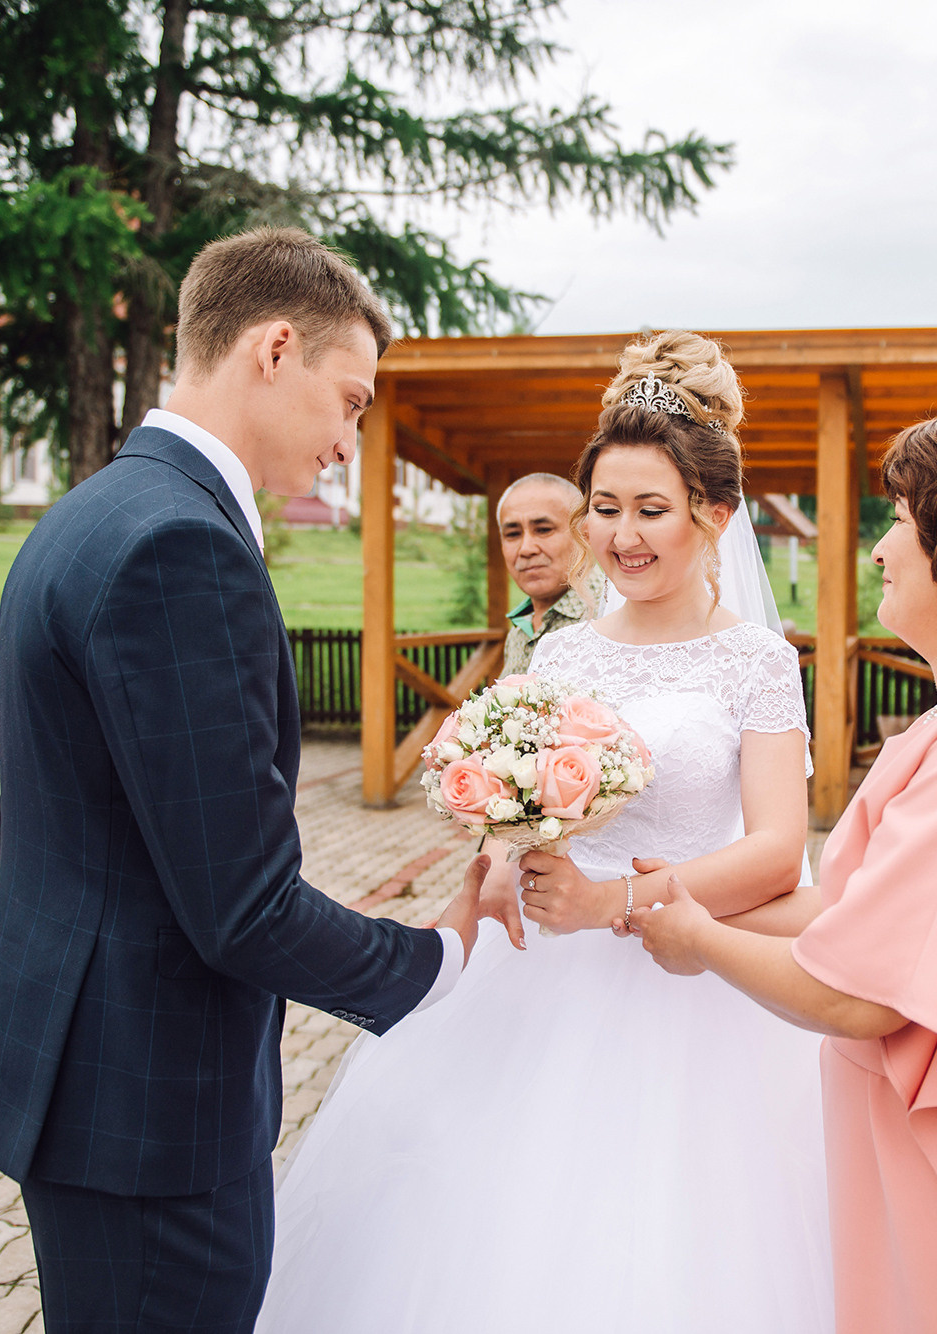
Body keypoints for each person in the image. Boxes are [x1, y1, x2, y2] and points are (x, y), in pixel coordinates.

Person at [0, 228, 489, 1334]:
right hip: (151, 1106)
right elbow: (244, 906)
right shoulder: (177, 545)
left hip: (81, 1067)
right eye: (350, 401)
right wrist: (434, 960)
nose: (349, 441)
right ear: (274, 349)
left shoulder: (97, 508)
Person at [258, 332, 830, 1334]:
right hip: (537, 973)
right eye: (603, 509)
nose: (622, 535)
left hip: (694, 977)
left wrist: (613, 900)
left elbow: (777, 849)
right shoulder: (563, 654)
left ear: (714, 514)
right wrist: (493, 852)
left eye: (650, 510)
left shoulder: (755, 661)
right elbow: (518, 807)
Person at [631, 402, 937, 1334]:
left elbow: (862, 996)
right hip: (935, 1156)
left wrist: (697, 939)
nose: (878, 549)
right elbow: (860, 909)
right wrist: (664, 898)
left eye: (901, 521)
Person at [496, 471, 607, 675]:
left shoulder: (610, 613)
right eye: (512, 534)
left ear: (585, 532)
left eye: (543, 530)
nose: (526, 549)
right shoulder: (519, 631)